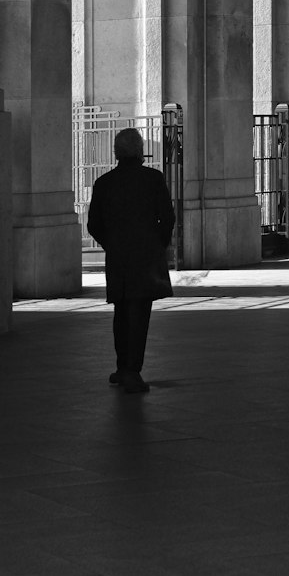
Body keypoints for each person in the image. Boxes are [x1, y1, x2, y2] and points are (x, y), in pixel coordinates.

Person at [87, 127, 175, 393]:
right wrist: (156, 244)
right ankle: (132, 370)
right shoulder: (153, 179)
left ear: (116, 152)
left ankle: (122, 366)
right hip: (145, 257)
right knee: (139, 313)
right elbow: (168, 218)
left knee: (121, 311)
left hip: (118, 257)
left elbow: (93, 224)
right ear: (140, 151)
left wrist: (111, 244)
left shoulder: (104, 183)